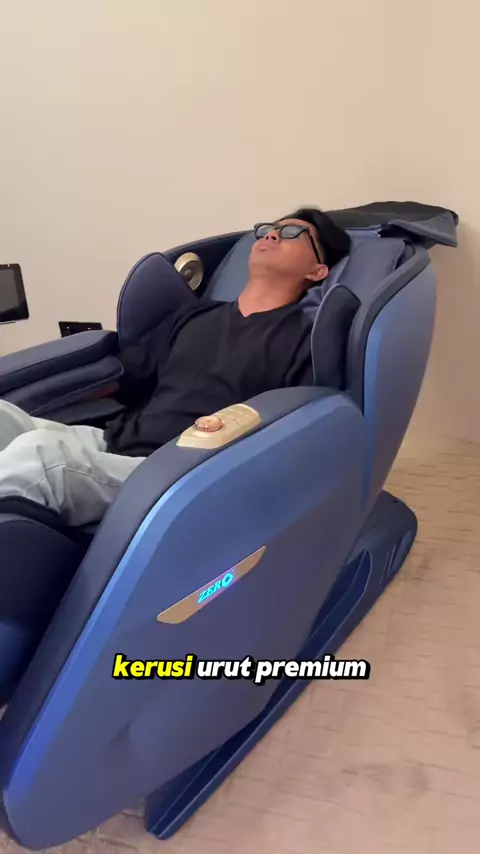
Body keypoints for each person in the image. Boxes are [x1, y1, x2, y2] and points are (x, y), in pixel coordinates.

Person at [0, 208, 351, 527]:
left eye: (291, 233)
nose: (271, 234)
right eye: (267, 229)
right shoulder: (194, 316)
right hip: (114, 441)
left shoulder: (302, 340)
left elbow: (291, 440)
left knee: (41, 458)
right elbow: (123, 377)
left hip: (173, 474)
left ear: (317, 271)